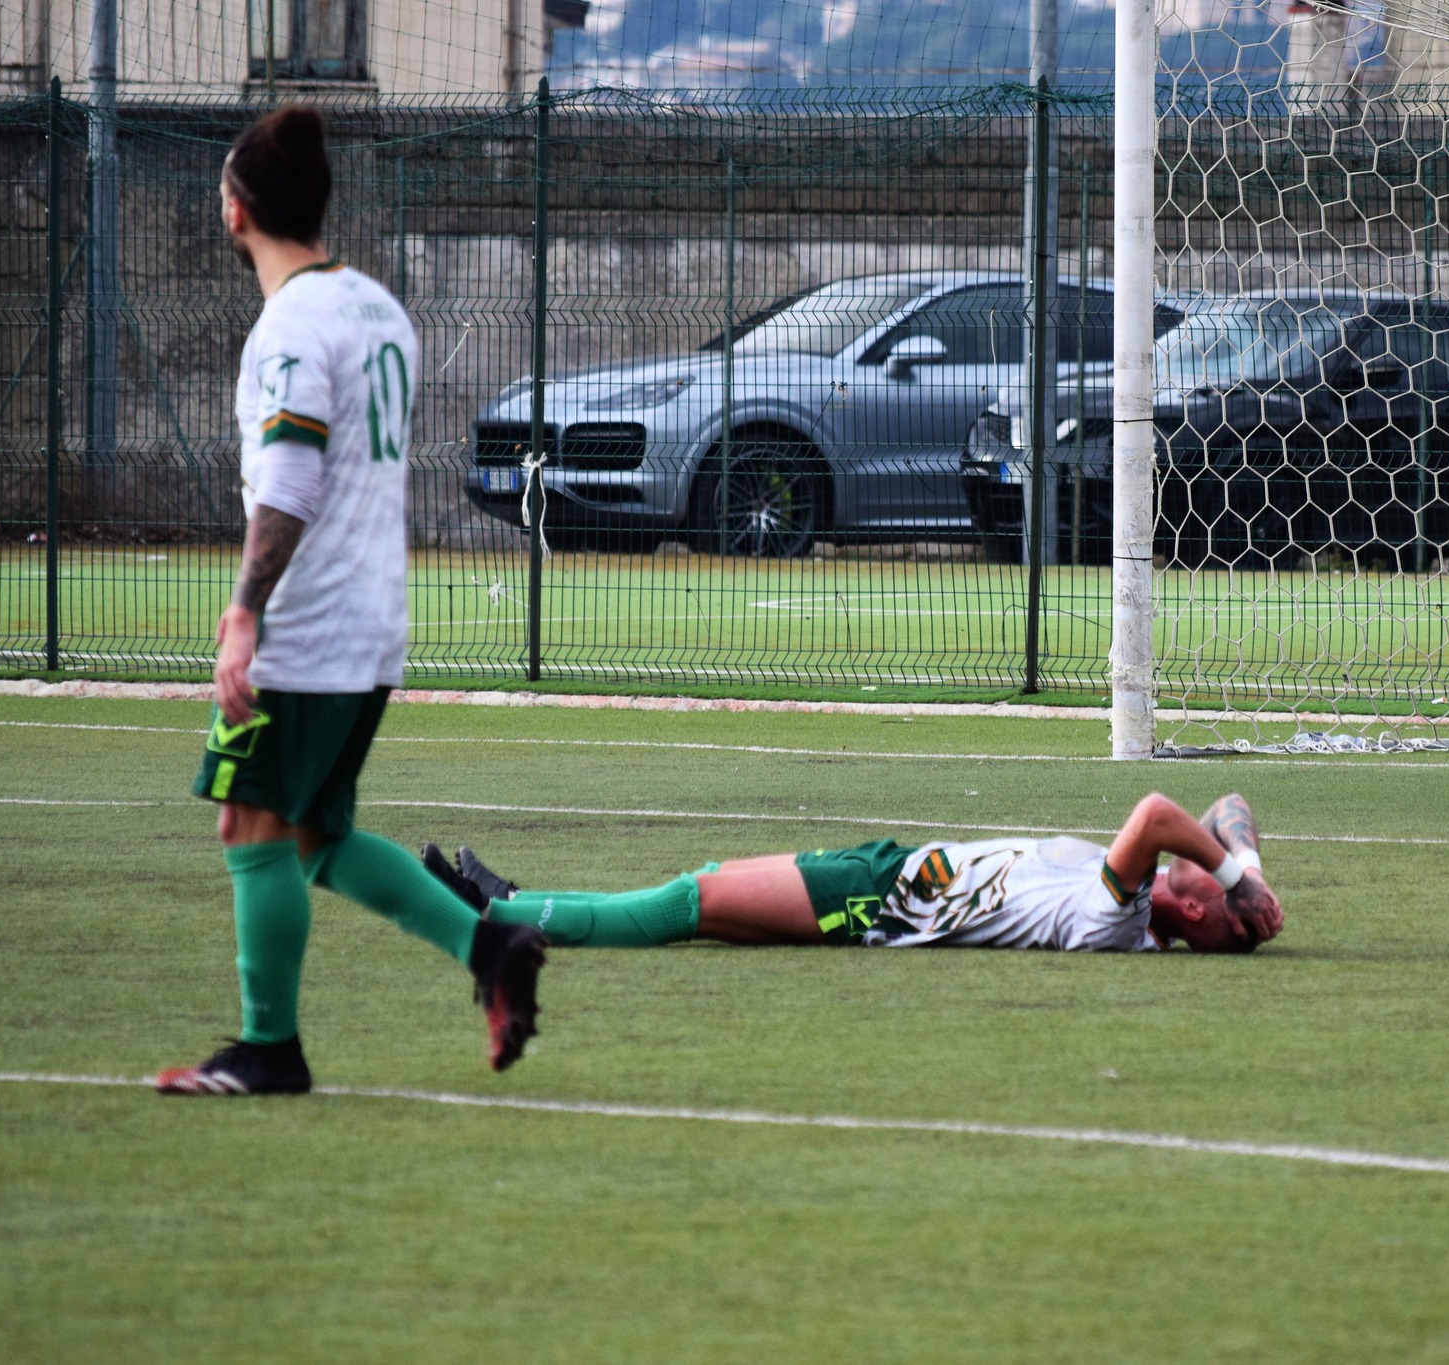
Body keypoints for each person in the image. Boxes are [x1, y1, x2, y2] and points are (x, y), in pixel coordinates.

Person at [156, 107, 548, 1098]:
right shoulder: (377, 308)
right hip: (373, 621)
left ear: (236, 211)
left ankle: (269, 1049)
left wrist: (245, 612)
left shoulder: (291, 325)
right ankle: (490, 948)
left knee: (251, 827)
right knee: (314, 840)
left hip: (309, 625)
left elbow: (290, 481)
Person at [421, 793, 1281, 955]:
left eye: (1209, 881)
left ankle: (492, 918)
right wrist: (1245, 870)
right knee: (702, 880)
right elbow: (1227, 805)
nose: (1198, 854)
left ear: (1194, 913)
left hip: (872, 904)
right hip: (885, 865)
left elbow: (1159, 812)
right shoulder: (1170, 890)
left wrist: (1239, 881)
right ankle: (513, 900)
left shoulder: (1114, 917)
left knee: (687, 902)